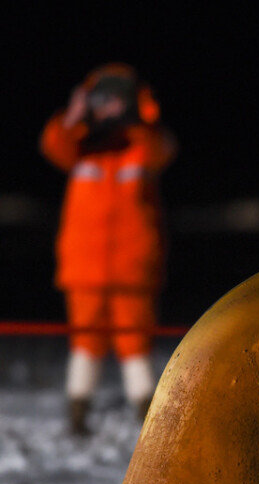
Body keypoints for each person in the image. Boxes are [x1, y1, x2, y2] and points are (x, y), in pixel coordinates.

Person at [40, 63, 177, 433]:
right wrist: (73, 113)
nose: (109, 106)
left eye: (118, 99)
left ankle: (146, 412)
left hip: (133, 268)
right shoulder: (80, 147)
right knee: (84, 342)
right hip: (83, 268)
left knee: (136, 342)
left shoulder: (143, 146)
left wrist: (139, 115)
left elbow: (161, 148)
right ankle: (78, 412)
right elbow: (53, 144)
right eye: (103, 98)